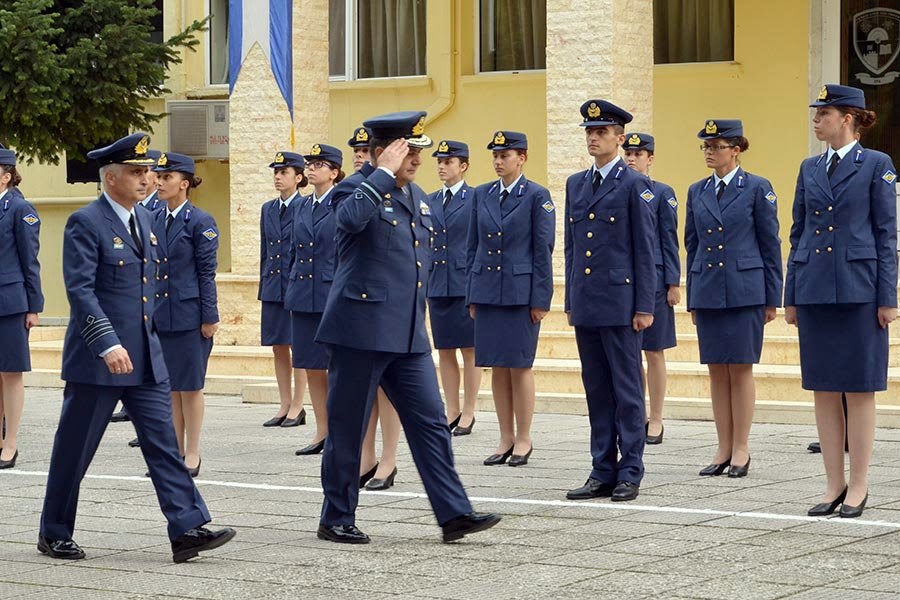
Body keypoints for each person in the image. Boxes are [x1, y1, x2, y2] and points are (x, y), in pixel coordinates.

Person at [39, 133, 234, 562]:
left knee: (163, 443)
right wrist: (106, 343)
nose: (147, 179)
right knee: (76, 447)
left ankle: (186, 528)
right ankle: (54, 532)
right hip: (100, 360)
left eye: (148, 172)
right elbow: (81, 291)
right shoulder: (86, 222)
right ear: (111, 178)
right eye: (137, 171)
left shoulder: (144, 220)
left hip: (145, 355)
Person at [315, 111, 500, 544]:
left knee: (431, 422)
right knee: (349, 425)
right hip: (360, 330)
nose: (418, 160)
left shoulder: (414, 195)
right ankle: (336, 516)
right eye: (409, 151)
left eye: (419, 151)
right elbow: (347, 221)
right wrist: (378, 173)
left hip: (407, 333)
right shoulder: (355, 188)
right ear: (384, 153)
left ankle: (454, 513)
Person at [785, 84, 897, 518]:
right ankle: (834, 484)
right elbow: (798, 235)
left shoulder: (877, 165)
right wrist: (791, 296)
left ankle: (860, 485)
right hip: (815, 290)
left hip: (859, 290)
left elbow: (886, 235)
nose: (816, 120)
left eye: (823, 113)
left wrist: (887, 298)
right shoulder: (809, 167)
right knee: (824, 389)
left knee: (860, 388)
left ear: (847, 118)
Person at [563, 100, 655, 503]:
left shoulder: (636, 184)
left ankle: (630, 470)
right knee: (596, 388)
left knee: (627, 388)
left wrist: (645, 306)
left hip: (621, 301)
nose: (594, 138)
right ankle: (602, 467)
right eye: (589, 132)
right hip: (588, 301)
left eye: (601, 132)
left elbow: (644, 249)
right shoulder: (576, 184)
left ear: (619, 138)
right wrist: (569, 298)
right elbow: (571, 247)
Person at [685, 119, 782, 479]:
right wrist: (693, 296)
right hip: (708, 287)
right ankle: (722, 446)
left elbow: (770, 243)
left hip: (745, 290)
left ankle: (741, 447)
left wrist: (772, 296)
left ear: (736, 150)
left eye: (718, 146)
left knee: (740, 369)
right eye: (706, 147)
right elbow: (692, 245)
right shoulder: (697, 191)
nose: (710, 152)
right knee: (715, 370)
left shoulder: (757, 187)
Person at [466, 131, 555, 467]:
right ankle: (504, 437)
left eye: (506, 155)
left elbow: (542, 249)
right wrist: (472, 293)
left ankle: (524, 438)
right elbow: (472, 246)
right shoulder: (482, 194)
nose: (499, 161)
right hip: (488, 290)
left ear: (523, 158)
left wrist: (540, 298)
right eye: (496, 155)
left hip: (520, 293)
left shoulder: (536, 195)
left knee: (519, 366)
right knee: (497, 367)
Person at [151, 152, 219, 478]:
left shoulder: (200, 221)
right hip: (161, 315)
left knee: (190, 387)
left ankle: (192, 451)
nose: (159, 182)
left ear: (185, 182)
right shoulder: (152, 218)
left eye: (166, 177)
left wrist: (209, 317)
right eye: (158, 176)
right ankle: (174, 451)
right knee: (169, 388)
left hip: (190, 315)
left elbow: (207, 273)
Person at [346, 126, 404, 492]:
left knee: (390, 393)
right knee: (360, 395)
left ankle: (389, 459)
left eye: (366, 149)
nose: (360, 154)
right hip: (359, 310)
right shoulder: (355, 189)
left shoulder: (404, 192)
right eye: (357, 149)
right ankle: (366, 457)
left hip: (394, 312)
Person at [623, 133, 680, 445]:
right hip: (625, 281)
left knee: (654, 352)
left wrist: (673, 281)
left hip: (656, 280)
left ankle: (656, 417)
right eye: (628, 152)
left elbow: (668, 238)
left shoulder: (661, 193)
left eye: (639, 153)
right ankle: (637, 414)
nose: (632, 158)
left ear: (650, 158)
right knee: (630, 354)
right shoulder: (618, 190)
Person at [287, 144, 344, 456]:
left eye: (319, 164)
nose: (310, 169)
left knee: (335, 366)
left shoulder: (341, 203)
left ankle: (339, 430)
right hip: (303, 294)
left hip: (330, 294)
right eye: (309, 164)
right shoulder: (302, 206)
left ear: (333, 172)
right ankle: (321, 430)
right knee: (310, 365)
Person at [427, 140, 481, 436]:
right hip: (438, 282)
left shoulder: (475, 198)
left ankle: (470, 410)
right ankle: (452, 408)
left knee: (470, 349)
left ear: (463, 166)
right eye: (439, 161)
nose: (442, 167)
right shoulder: (430, 200)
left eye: (448, 162)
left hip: (464, 282)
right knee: (445, 349)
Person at [0, 144, 43, 469]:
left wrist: (34, 306)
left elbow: (30, 259)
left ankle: (10, 443)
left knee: (11, 373)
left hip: (10, 302)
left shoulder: (20, 209)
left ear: (6, 175)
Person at [259, 151, 308, 428]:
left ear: (298, 178)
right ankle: (284, 403)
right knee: (278, 346)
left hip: (296, 285)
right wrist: (263, 283)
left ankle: (299, 405)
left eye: (284, 172)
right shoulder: (268, 208)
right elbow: (265, 250)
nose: (278, 177)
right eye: (276, 172)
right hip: (272, 285)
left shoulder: (304, 207)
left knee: (297, 346)